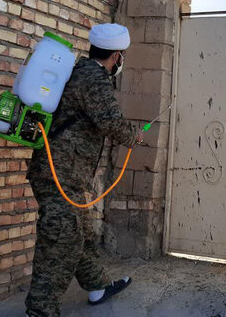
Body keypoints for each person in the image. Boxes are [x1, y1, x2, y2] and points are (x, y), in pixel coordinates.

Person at [25, 23, 143, 317]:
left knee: (81, 233)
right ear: (116, 56)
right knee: (61, 242)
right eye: (122, 56)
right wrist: (134, 136)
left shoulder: (79, 71)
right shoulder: (94, 77)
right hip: (60, 174)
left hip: (65, 174)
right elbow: (110, 122)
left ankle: (97, 286)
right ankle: (41, 310)